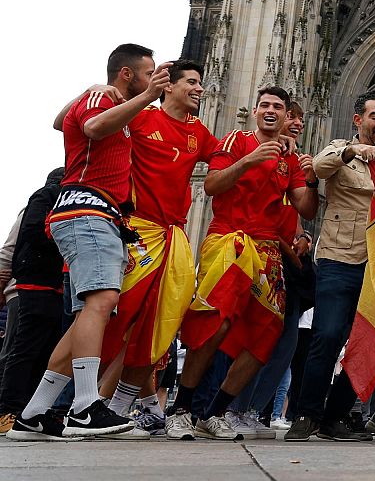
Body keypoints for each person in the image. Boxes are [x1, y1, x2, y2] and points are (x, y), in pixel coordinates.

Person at [10, 45, 169, 441]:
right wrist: (136, 95)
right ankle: (84, 407)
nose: (153, 81)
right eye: (148, 73)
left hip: (98, 213)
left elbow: (60, 121)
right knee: (101, 302)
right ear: (127, 74)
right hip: (88, 209)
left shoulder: (109, 102)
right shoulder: (103, 99)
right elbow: (92, 128)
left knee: (89, 315)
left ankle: (33, 415)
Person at [168, 86, 315, 441]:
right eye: (264, 105)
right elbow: (212, 185)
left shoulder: (290, 159)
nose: (270, 110)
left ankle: (215, 412)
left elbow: (306, 208)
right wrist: (249, 160)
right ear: (255, 111)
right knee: (214, 324)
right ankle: (182, 408)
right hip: (229, 240)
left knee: (266, 335)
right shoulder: (236, 140)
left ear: (286, 115)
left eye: (277, 106)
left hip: (267, 251)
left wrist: (312, 180)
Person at [98, 60, 218, 437]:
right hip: (137, 232)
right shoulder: (142, 118)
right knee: (118, 319)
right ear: (168, 86)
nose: (200, 89)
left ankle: (118, 408)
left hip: (174, 237)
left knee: (160, 325)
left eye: (201, 83)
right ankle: (82, 403)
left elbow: (225, 161)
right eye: (192, 82)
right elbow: (94, 130)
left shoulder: (199, 131)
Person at [285, 93, 375, 442]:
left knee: (370, 344)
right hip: (339, 257)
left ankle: (335, 417)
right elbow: (319, 167)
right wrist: (354, 151)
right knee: (328, 335)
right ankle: (306, 414)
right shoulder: (341, 150)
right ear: (358, 120)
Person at [0, 170, 67, 439]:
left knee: (43, 352)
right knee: (21, 350)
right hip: (28, 287)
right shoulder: (42, 200)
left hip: (54, 286)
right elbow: (13, 246)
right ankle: (7, 410)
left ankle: (30, 412)